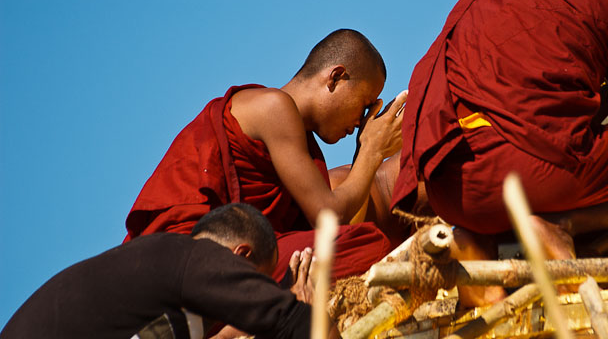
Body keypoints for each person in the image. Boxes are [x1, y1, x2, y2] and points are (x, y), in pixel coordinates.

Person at [392, 0, 608, 306]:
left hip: (450, 189)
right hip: (524, 172)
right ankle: (559, 226)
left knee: (528, 148)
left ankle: (475, 245)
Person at [125, 29, 407, 282]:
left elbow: (336, 228)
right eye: (365, 104)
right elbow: (327, 217)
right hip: (196, 254)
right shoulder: (274, 107)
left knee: (363, 243)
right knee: (370, 244)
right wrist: (373, 151)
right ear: (335, 77)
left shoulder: (304, 148)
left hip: (247, 258)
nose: (362, 121)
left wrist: (365, 154)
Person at [0, 203, 333, 339]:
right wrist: (303, 311)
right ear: (240, 257)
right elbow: (316, 336)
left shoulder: (157, 288)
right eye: (254, 281)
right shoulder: (194, 258)